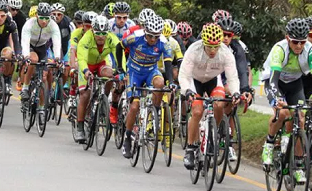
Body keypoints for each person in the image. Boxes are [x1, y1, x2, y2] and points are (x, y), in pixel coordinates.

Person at [260, 18, 312, 183]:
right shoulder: (279, 49)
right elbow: (274, 80)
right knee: (282, 112)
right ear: (287, 38)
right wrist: (277, 98)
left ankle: (298, 165)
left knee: (301, 118)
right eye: (295, 42)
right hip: (275, 82)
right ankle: (269, 144)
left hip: (294, 84)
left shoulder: (310, 50)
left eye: (302, 42)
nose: (299, 46)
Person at [179, 23, 239, 169]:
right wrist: (187, 90)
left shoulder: (225, 52)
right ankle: (191, 148)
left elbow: (232, 77)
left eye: (216, 47)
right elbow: (184, 75)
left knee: (219, 104)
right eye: (209, 46)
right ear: (203, 43)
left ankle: (214, 133)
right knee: (197, 111)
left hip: (213, 80)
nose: (213, 50)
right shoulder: (194, 49)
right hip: (195, 81)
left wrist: (236, 91)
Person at [117, 15, 173, 158]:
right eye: (150, 36)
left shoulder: (164, 42)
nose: (153, 40)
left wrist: (171, 81)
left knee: (160, 84)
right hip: (134, 72)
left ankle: (153, 111)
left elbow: (167, 62)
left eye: (156, 36)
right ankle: (128, 138)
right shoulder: (135, 37)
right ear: (145, 31)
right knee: (134, 107)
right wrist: (120, 69)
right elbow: (119, 46)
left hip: (150, 71)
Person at [74, 15, 120, 143]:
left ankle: (103, 98)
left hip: (100, 63)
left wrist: (122, 71)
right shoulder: (86, 39)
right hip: (87, 65)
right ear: (93, 31)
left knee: (110, 75)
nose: (101, 36)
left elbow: (119, 55)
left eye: (104, 33)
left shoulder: (111, 39)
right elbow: (82, 58)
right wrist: (85, 71)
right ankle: (80, 127)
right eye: (98, 33)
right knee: (85, 94)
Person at [20, 2, 62, 103]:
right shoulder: (29, 23)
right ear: (36, 16)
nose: (44, 21)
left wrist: (57, 58)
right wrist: (26, 56)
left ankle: (42, 107)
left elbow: (57, 43)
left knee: (43, 77)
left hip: (42, 47)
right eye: (41, 18)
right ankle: (25, 88)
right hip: (30, 46)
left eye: (47, 18)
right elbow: (25, 42)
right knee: (33, 59)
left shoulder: (53, 25)